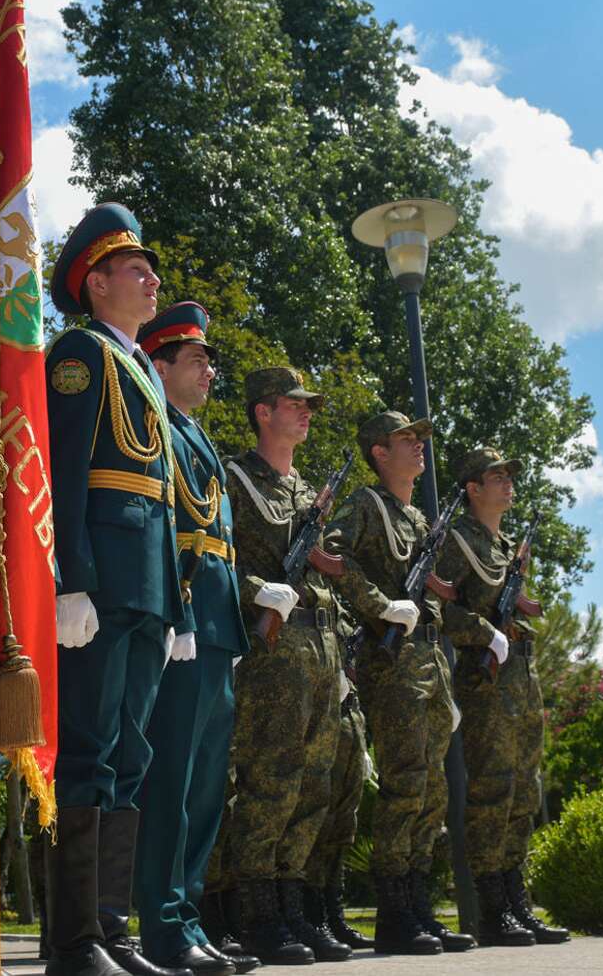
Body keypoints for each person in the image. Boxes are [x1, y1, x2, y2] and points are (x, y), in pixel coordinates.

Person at [43, 204, 185, 976]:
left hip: (147, 588)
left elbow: (162, 496)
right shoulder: (80, 353)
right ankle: (73, 942)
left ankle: (110, 930)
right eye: (137, 269)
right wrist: (72, 581)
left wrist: (176, 604)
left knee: (129, 755)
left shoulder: (140, 370)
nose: (151, 279)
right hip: (101, 587)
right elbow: (64, 474)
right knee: (90, 753)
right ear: (96, 283)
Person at [318, 412, 473, 956]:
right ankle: (394, 913)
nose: (420, 448)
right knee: (407, 782)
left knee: (433, 789)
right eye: (408, 440)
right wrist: (380, 605)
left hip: (431, 658)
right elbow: (330, 555)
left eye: (420, 440)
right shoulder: (366, 504)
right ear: (380, 452)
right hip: (395, 659)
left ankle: (418, 906)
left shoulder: (416, 517)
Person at [131, 304, 249, 976]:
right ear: (160, 364)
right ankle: (163, 926)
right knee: (170, 783)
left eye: (209, 360)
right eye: (196, 359)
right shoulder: (153, 428)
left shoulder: (199, 439)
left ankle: (189, 918)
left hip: (218, 629)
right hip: (183, 627)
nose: (209, 370)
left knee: (205, 788)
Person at [218, 366, 348, 966]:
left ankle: (294, 906)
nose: (306, 413)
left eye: (308, 405)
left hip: (321, 649)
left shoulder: (306, 492)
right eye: (293, 404)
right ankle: (257, 913)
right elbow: (213, 557)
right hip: (274, 652)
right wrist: (256, 591)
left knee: (314, 787)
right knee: (271, 782)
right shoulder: (236, 477)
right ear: (262, 412)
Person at [437, 449, 568, 947]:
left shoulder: (506, 545)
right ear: (473, 488)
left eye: (511, 476)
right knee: (494, 791)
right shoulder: (458, 541)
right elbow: (439, 608)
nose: (508, 484)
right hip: (486, 683)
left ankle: (519, 902)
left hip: (522, 678)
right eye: (497, 477)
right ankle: (493, 911)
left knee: (524, 791)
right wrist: (484, 632)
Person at [304, 612, 372, 954]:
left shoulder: (342, 610)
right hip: (328, 718)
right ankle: (312, 913)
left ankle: (333, 912)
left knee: (343, 824)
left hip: (349, 719)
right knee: (320, 820)